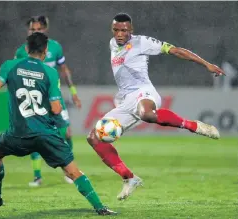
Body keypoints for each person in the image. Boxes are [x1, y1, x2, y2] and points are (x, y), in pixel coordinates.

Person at [86, 13, 225, 201]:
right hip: (126, 99)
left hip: (144, 91)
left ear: (131, 30)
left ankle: (194, 126)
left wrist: (206, 64)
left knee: (147, 114)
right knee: (94, 137)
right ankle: (129, 178)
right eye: (116, 30)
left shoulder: (142, 42)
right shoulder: (112, 44)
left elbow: (175, 50)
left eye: (124, 30)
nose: (119, 34)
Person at [0, 32, 116, 215]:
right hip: (46, 134)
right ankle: (100, 208)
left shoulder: (9, 66)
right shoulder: (49, 72)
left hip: (18, 134)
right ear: (46, 50)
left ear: (26, 48)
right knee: (72, 171)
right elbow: (56, 108)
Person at [14, 15, 81, 186]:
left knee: (66, 133)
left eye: (38, 29)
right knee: (35, 137)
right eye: (32, 29)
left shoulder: (55, 47)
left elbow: (64, 70)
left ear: (45, 30)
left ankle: (68, 171)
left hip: (55, 97)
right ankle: (37, 176)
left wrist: (73, 91)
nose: (35, 32)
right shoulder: (22, 51)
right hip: (34, 100)